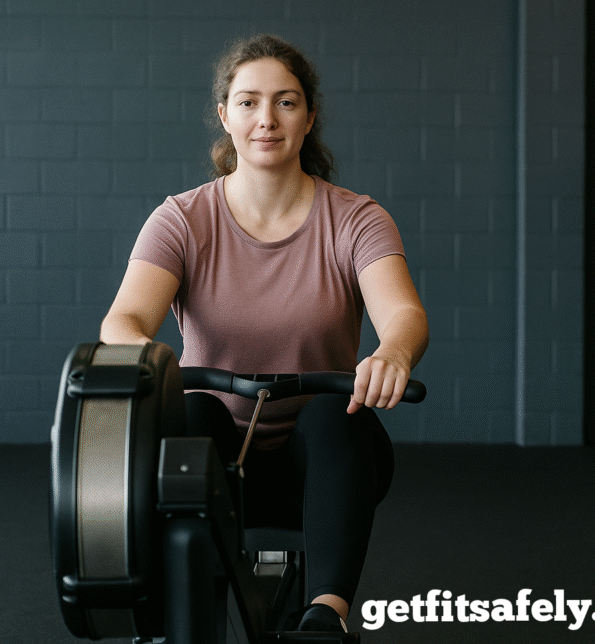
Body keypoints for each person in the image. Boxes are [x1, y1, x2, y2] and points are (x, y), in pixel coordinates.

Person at [100, 34, 429, 632]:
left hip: (326, 461)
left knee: (336, 413)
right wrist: (147, 357)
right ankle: (191, 615)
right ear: (225, 116)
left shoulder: (356, 218)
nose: (266, 120)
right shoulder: (182, 218)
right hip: (216, 459)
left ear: (308, 117)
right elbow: (122, 321)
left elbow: (402, 314)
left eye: (285, 102)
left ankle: (325, 617)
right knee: (191, 413)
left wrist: (393, 353)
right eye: (249, 102)